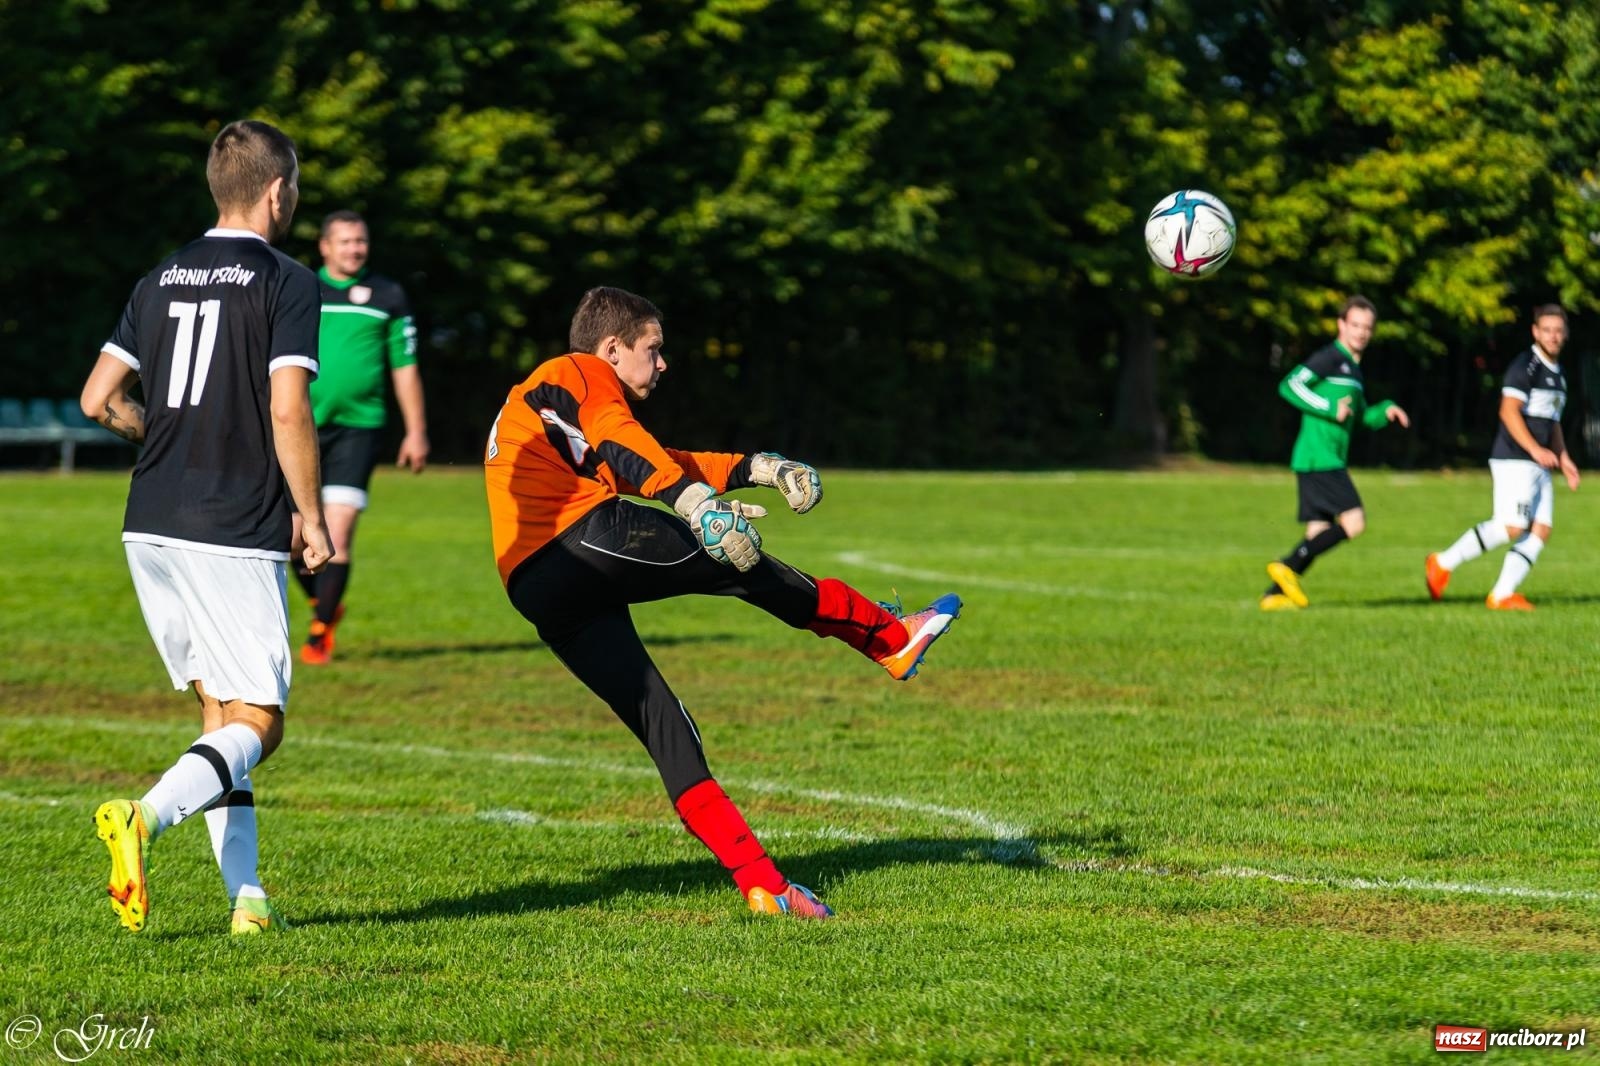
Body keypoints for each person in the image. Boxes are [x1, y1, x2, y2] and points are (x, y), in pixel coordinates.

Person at [484, 286, 962, 920]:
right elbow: (623, 439)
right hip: (583, 540)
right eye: (653, 351)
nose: (663, 365)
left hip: (535, 585)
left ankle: (764, 886)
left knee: (663, 723)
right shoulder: (581, 373)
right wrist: (699, 507)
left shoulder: (556, 409)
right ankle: (887, 637)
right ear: (611, 348)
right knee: (743, 563)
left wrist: (756, 467)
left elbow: (648, 458)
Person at [80, 119, 333, 935]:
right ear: (277, 191)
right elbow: (288, 405)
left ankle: (247, 899)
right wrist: (314, 515)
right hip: (231, 522)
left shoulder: (159, 276)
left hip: (150, 519)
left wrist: (158, 434)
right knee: (263, 720)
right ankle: (143, 817)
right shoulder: (286, 279)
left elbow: (98, 399)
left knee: (221, 713)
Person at [291, 209, 428, 664]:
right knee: (290, 537)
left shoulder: (388, 295)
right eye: (345, 241)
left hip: (359, 428)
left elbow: (404, 366)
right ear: (325, 247)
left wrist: (416, 431)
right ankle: (325, 601)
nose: (355, 249)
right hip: (299, 426)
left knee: (338, 531)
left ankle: (318, 634)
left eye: (361, 241)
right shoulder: (301, 288)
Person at [1261, 295, 1411, 610]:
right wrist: (1329, 407)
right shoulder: (1330, 358)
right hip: (1320, 457)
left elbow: (1359, 419)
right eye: (1355, 325)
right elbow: (1290, 385)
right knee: (1354, 522)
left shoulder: (1354, 371)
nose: (1361, 332)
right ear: (1341, 325)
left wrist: (1385, 411)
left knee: (1319, 531)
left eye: (1367, 327)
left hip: (1322, 458)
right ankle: (1287, 565)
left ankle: (1274, 595)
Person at [1425, 305, 1580, 609]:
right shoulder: (1526, 366)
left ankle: (1502, 594)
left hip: (1539, 463)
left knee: (1541, 529)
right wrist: (1535, 449)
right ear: (1535, 332)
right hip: (1515, 459)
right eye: (1547, 330)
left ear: (1565, 335)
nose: (1553, 336)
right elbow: (1508, 411)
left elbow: (1552, 422)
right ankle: (1442, 562)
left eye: (1558, 331)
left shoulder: (1559, 374)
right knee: (1511, 526)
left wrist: (1564, 457)